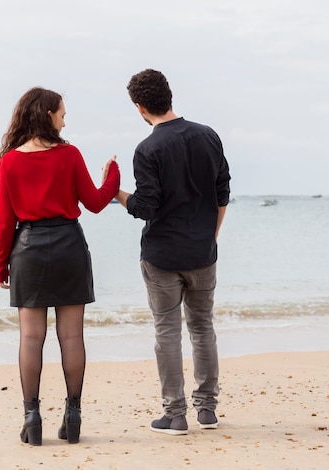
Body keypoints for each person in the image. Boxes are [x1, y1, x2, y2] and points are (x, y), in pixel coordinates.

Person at [0, 87, 120, 446]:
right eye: (62, 113)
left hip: (29, 249)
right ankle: (73, 415)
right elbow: (95, 202)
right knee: (72, 337)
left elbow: (4, 220)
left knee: (31, 337)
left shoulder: (11, 161)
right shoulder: (69, 155)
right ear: (47, 113)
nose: (65, 119)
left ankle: (32, 418)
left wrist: (0, 263)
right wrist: (113, 176)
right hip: (69, 246)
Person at [115, 69, 231, 435]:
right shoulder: (207, 135)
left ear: (139, 107)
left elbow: (145, 207)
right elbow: (222, 192)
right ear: (169, 95)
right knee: (203, 327)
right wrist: (210, 237)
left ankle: (175, 415)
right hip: (202, 252)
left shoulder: (148, 149)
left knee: (167, 332)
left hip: (162, 256)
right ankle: (207, 410)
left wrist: (115, 193)